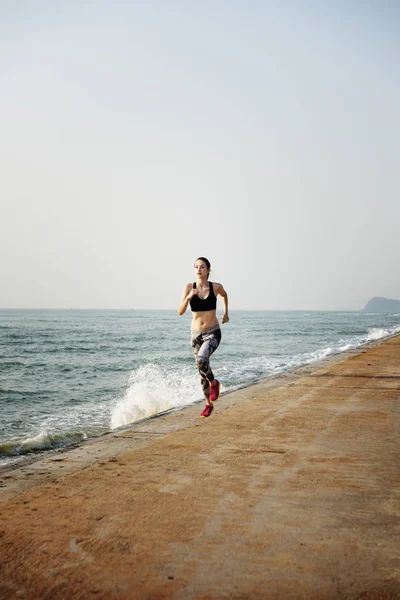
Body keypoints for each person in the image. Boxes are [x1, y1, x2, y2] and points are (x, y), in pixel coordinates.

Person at [178, 257, 229, 418]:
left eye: (202, 267)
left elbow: (224, 295)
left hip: (212, 332)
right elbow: (180, 311)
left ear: (208, 270)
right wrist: (188, 298)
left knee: (201, 360)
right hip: (195, 335)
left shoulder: (215, 287)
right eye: (196, 267)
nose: (198, 269)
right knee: (201, 370)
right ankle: (208, 404)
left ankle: (214, 383)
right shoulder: (188, 287)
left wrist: (226, 313)